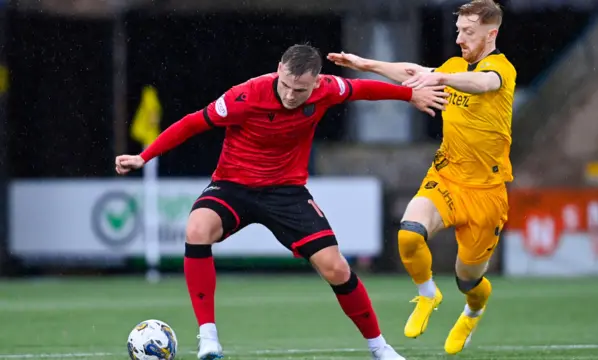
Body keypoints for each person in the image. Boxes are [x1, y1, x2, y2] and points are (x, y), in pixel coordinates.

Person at [115, 44, 449, 360]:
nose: (291, 95)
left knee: (337, 268)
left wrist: (410, 94)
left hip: (286, 192)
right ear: (278, 70)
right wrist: (144, 156)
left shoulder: (328, 89)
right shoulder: (244, 96)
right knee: (197, 229)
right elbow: (192, 123)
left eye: (300, 90)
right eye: (286, 85)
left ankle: (379, 349)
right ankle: (208, 336)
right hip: (232, 186)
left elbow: (363, 89)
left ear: (316, 82)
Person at [328, 0, 515, 355]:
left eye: (468, 32)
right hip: (445, 177)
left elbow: (483, 83)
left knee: (468, 279)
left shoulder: (499, 70)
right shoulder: (454, 66)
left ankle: (473, 310)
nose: (460, 38)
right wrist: (364, 64)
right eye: (458, 30)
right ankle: (427, 293)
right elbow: (413, 71)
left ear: (491, 34)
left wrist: (440, 76)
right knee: (410, 234)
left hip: (486, 193)